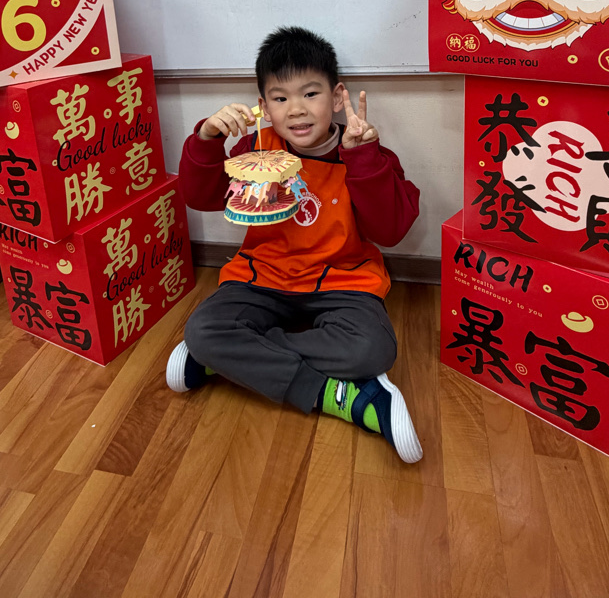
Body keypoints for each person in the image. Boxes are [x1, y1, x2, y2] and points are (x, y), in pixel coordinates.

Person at [167, 26, 422, 462]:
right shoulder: (255, 147)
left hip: (343, 281)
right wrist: (207, 140)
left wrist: (363, 159)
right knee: (202, 329)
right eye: (280, 98)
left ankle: (229, 357)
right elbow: (202, 197)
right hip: (261, 277)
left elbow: (392, 230)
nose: (297, 109)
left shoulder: (362, 150)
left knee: (373, 348)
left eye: (311, 93)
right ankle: (343, 397)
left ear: (337, 97)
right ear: (264, 108)